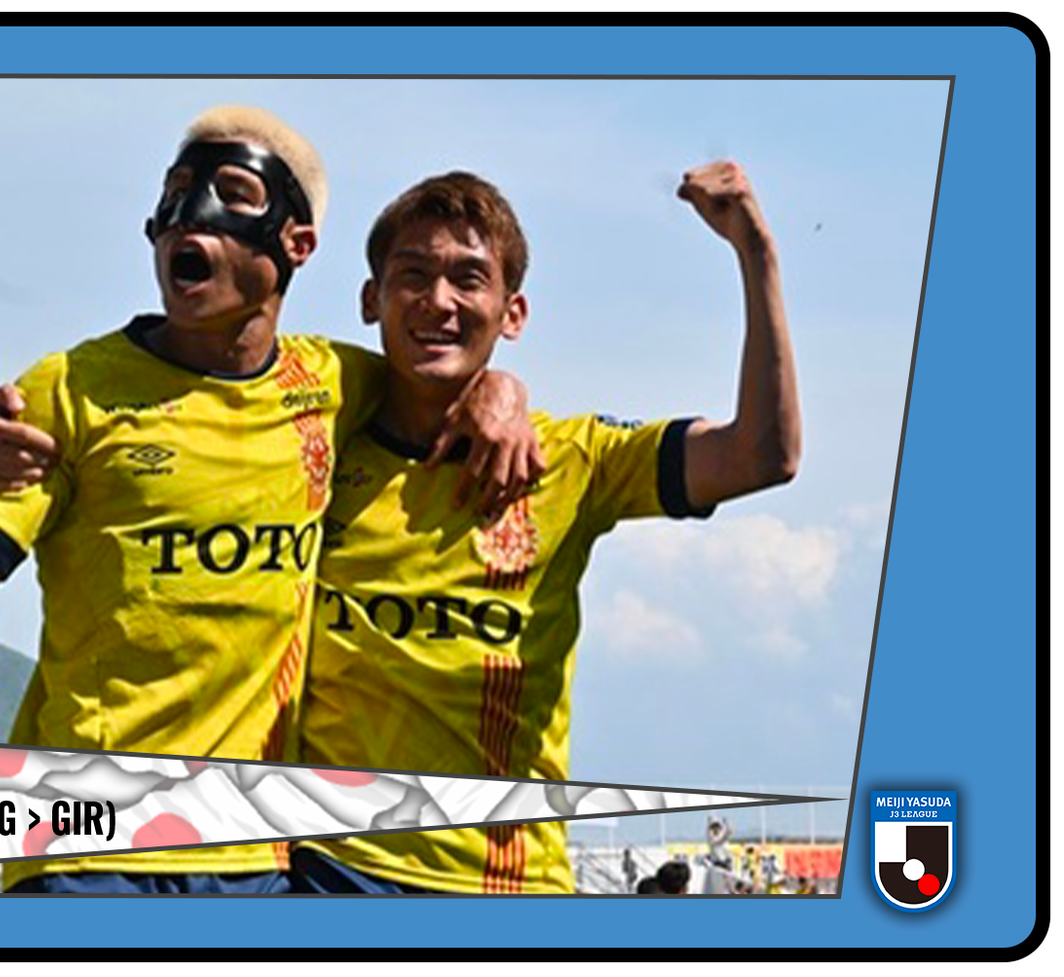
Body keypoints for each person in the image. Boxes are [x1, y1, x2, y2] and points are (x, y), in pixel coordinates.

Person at [0, 107, 534, 895]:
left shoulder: (334, 384)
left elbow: (441, 381)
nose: (191, 215)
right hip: (89, 850)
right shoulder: (70, 388)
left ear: (296, 243)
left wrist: (502, 391)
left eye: (232, 192)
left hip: (250, 856)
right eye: (176, 191)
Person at [286, 164, 798, 893]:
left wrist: (756, 252)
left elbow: (764, 455)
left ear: (513, 313)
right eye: (413, 274)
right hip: (333, 871)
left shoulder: (572, 461)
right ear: (371, 299)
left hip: (507, 883)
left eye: (468, 278)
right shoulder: (312, 447)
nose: (438, 300)